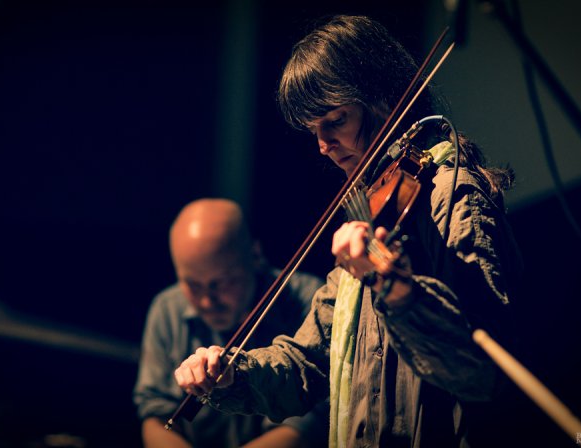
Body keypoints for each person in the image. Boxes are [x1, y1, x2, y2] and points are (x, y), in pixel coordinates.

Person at [173, 15, 523, 448]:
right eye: (313, 130)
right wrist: (233, 374)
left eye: (335, 121)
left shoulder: (453, 196)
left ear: (382, 99)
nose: (323, 145)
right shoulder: (373, 210)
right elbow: (309, 361)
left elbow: (482, 370)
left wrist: (395, 287)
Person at [133, 198, 328, 448]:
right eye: (192, 285)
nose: (207, 301)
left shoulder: (311, 301)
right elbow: (155, 411)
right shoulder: (167, 308)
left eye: (222, 282)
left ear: (255, 255)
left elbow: (310, 422)